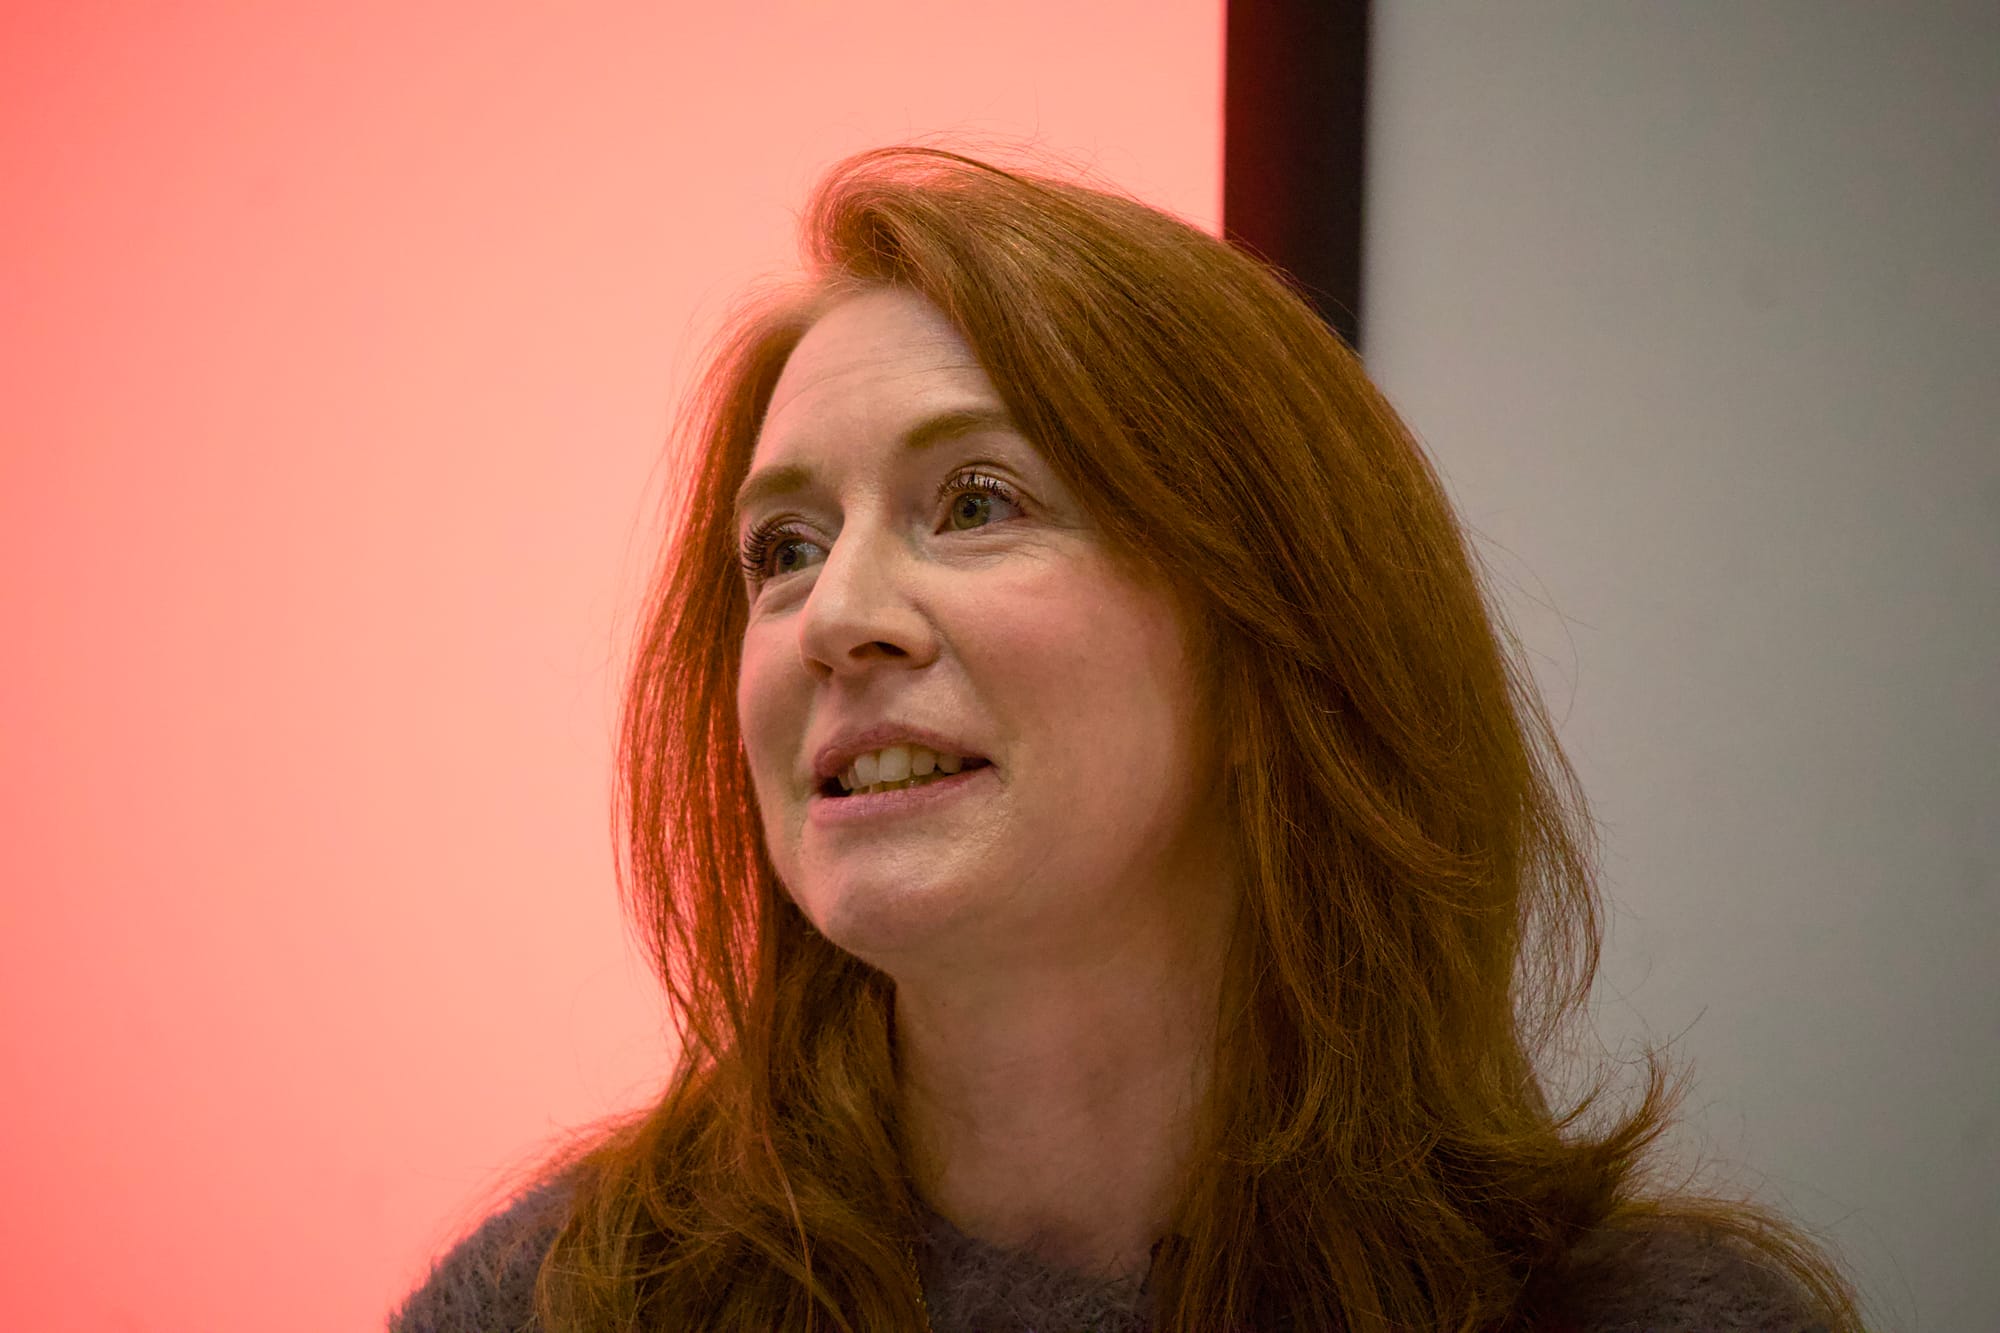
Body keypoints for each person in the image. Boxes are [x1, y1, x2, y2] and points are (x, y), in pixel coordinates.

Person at [389, 146, 1864, 1333]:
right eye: (782, 545)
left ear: (1274, 638)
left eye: (976, 501)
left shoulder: (1647, 1318)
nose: (835, 614)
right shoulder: (560, 1305)